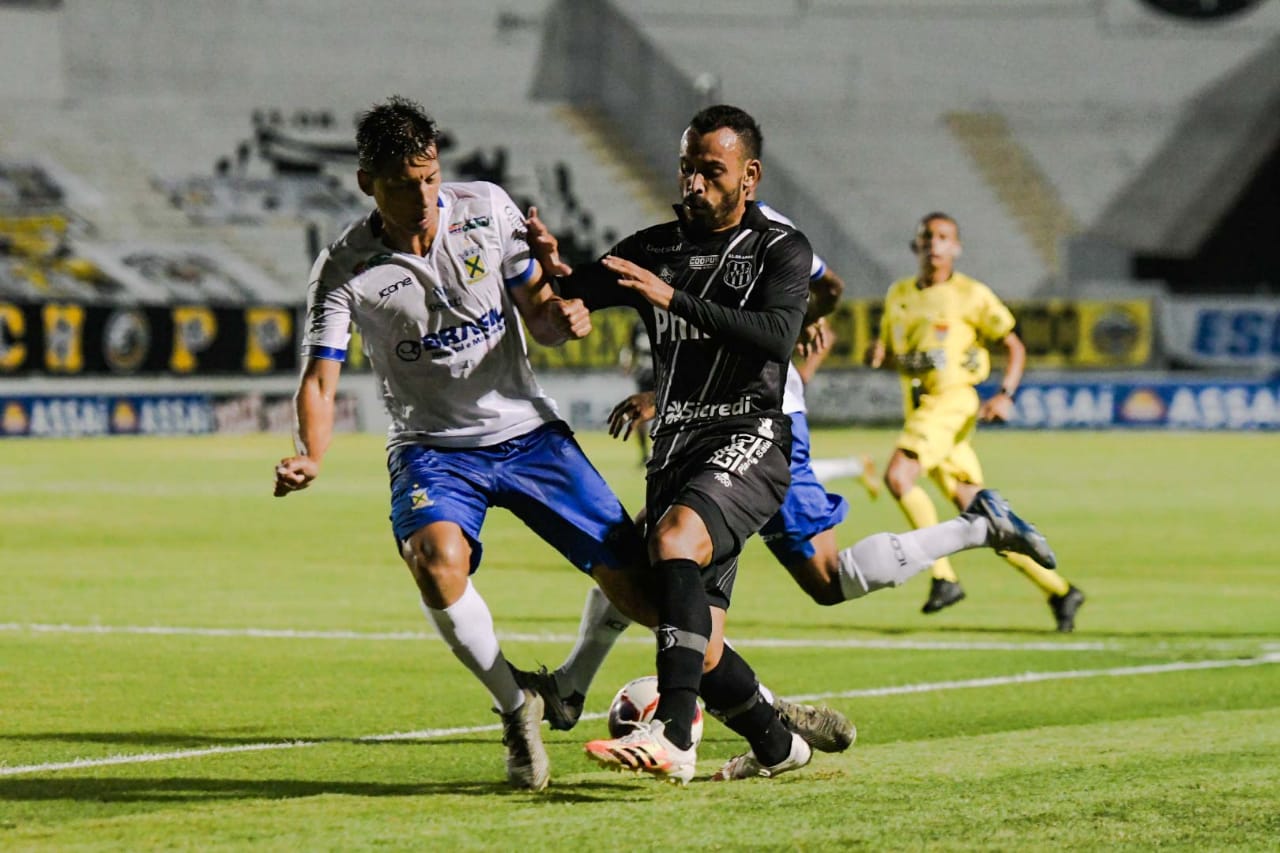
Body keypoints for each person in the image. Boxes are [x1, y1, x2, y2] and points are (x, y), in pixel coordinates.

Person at [271, 95, 658, 792]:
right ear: (366, 182)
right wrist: (312, 454)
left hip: (528, 433)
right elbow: (320, 380)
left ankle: (751, 708)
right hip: (432, 447)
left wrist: (565, 318)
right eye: (400, 183)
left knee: (643, 589)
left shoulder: (485, 209)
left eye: (428, 176)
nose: (421, 195)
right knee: (433, 558)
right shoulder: (345, 269)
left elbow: (541, 316)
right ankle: (517, 708)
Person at [866, 212, 1086, 631]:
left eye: (944, 237)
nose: (935, 244)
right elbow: (897, 354)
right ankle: (1060, 590)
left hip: (952, 402)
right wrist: (879, 356)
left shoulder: (971, 294)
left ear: (956, 247)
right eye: (928, 236)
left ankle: (943, 577)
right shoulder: (898, 294)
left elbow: (1014, 346)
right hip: (922, 409)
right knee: (986, 518)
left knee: (899, 476)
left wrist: (1005, 394)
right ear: (916, 245)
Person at [618, 317, 655, 464]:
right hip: (643, 374)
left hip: (663, 374)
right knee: (639, 414)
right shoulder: (638, 324)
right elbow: (629, 347)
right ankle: (644, 453)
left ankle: (660, 450)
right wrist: (626, 363)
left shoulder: (667, 317)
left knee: (666, 412)